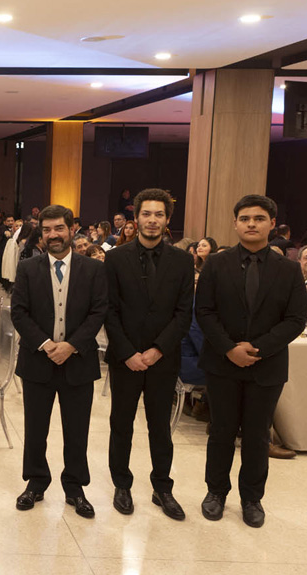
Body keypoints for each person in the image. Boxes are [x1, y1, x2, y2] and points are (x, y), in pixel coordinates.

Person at [195, 194, 307, 529]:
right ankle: (215, 492)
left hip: (267, 365)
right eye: (245, 219)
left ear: (272, 224)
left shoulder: (289, 269)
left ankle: (252, 498)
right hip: (222, 362)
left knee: (258, 435)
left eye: (259, 219)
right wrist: (230, 348)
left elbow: (295, 319)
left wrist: (256, 348)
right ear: (235, 223)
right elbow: (204, 311)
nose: (251, 224)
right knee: (221, 431)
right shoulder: (216, 263)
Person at [11, 204, 107, 519]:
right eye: (47, 229)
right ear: (41, 233)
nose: (53, 234)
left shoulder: (93, 269)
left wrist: (72, 346)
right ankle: (35, 483)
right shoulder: (28, 268)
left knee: (76, 430)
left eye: (59, 228)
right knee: (35, 429)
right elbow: (19, 312)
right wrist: (47, 344)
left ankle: (75, 487)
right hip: (38, 360)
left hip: (78, 362)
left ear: (71, 229)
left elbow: (98, 312)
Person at [104, 189, 194, 520]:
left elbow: (183, 313)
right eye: (146, 214)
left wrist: (157, 350)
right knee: (121, 423)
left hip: (163, 358)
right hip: (125, 357)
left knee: (160, 426)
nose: (152, 220)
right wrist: (128, 353)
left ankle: (162, 487)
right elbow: (109, 311)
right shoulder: (115, 259)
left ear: (167, 220)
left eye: (159, 215)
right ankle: (122, 484)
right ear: (136, 218)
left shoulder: (183, 261)